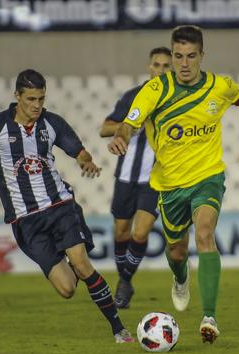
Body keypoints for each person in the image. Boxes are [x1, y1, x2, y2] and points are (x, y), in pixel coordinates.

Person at [108, 25, 239, 344]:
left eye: (191, 56)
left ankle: (210, 317)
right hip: (169, 185)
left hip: (208, 177)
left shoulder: (220, 87)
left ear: (202, 56)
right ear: (172, 56)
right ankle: (180, 279)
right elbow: (128, 124)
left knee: (205, 234)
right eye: (178, 56)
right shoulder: (154, 91)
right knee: (176, 251)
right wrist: (121, 136)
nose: (184, 63)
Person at [0, 69, 134, 343]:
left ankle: (119, 329)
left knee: (82, 264)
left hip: (60, 206)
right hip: (25, 221)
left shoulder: (51, 123)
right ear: (16, 96)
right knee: (67, 289)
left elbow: (79, 150)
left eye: (41, 98)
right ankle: (70, 260)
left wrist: (85, 161)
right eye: (30, 99)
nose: (36, 105)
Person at [99, 47, 171, 309]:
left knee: (140, 234)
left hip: (155, 179)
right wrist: (128, 126)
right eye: (157, 65)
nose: (161, 70)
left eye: (166, 66)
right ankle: (125, 280)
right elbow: (104, 128)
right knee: (121, 232)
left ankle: (124, 281)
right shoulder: (133, 97)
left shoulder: (176, 99)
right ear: (149, 67)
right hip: (126, 176)